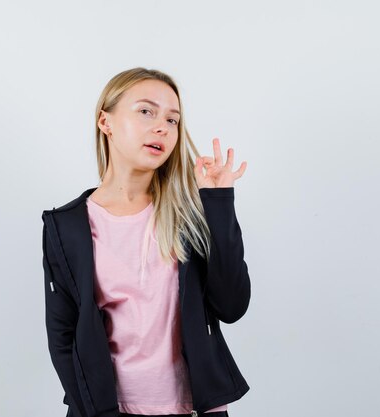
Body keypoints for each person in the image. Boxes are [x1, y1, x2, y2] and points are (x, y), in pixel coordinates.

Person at [41, 67, 251, 417]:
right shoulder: (66, 226)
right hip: (108, 410)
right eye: (146, 111)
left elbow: (232, 306)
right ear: (105, 122)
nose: (161, 128)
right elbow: (63, 336)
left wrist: (218, 202)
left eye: (172, 120)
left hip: (194, 409)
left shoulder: (189, 216)